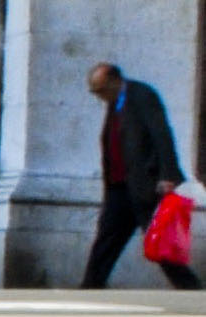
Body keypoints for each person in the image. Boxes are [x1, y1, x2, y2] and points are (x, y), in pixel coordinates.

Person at [82, 63, 201, 290]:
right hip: (119, 185)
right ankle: (91, 284)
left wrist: (168, 175)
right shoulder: (114, 102)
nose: (99, 96)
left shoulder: (142, 96)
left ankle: (190, 287)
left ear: (115, 81)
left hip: (144, 184)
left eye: (100, 90)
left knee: (158, 240)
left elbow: (161, 134)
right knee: (107, 238)